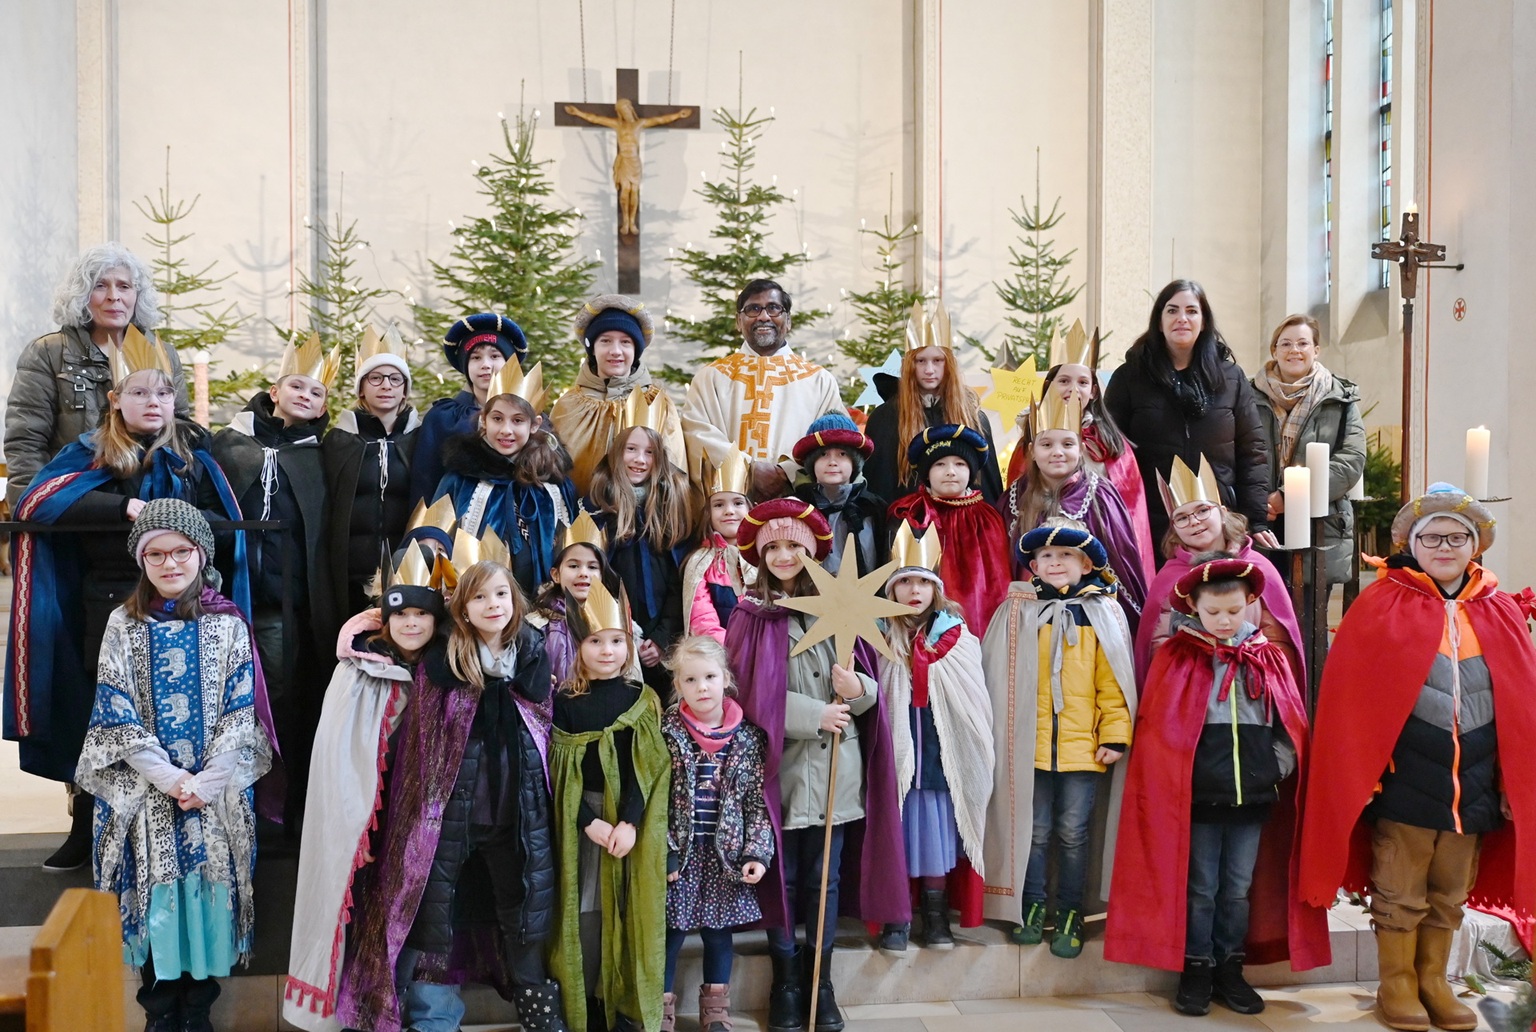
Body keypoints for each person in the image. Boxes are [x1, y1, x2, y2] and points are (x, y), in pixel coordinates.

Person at [4, 330, 247, 871]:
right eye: (139, 393)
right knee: (108, 714)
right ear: (115, 399)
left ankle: (184, 817)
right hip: (109, 601)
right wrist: (125, 508)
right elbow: (40, 503)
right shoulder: (86, 452)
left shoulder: (194, 452)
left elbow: (227, 526)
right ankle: (88, 820)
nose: (153, 403)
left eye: (162, 393)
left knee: (181, 716)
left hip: (187, 607)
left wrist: (176, 528)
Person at [1298, 485, 1536, 1032]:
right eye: (1432, 537)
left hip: (1473, 776)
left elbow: (1519, 702)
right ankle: (1398, 982)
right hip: (1405, 772)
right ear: (1412, 543)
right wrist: (1367, 766)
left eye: (1457, 537)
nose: (1445, 546)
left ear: (1475, 545)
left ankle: (1433, 978)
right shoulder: (1384, 601)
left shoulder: (1497, 610)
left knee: (1450, 890)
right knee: (1401, 887)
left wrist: (1507, 777)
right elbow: (1352, 698)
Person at [78, 500, 271, 1032]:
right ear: (141, 562)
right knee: (155, 896)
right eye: (155, 554)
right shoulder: (124, 623)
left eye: (181, 551)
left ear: (200, 554)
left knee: (207, 894)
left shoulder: (227, 623)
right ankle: (160, 1014)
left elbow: (241, 710)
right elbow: (113, 707)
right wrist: (170, 778)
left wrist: (207, 782)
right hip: (148, 793)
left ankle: (199, 1011)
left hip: (213, 791)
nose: (169, 564)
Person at [1105, 555, 1328, 1017]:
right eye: (1213, 613)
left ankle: (1231, 966)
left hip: (1252, 797)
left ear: (1251, 605)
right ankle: (1197, 967)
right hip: (1200, 799)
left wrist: (1274, 768)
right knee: (1202, 887)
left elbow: (1289, 725)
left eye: (1234, 611)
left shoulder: (1266, 658)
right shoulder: (1177, 657)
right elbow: (1161, 731)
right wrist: (1180, 778)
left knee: (1238, 888)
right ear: (1194, 609)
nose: (1225, 621)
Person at [727, 499, 909, 1032]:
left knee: (823, 880)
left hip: (836, 774)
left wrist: (859, 691)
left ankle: (819, 981)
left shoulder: (842, 608)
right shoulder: (750, 616)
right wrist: (814, 713)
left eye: (795, 547)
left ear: (813, 552)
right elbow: (744, 696)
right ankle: (786, 982)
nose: (785, 556)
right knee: (781, 878)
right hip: (780, 772)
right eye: (775, 548)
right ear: (761, 556)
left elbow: (870, 690)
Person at [283, 546, 454, 1032]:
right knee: (357, 911)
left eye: (423, 614)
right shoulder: (357, 669)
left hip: (424, 824)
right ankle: (355, 1014)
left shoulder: (446, 671)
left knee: (419, 925)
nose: (413, 624)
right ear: (386, 616)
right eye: (403, 613)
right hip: (366, 825)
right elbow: (335, 752)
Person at [394, 559, 566, 1032]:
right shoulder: (443, 660)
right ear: (463, 609)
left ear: (515, 603)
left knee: (524, 910)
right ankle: (432, 1019)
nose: (493, 605)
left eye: (501, 595)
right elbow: (425, 744)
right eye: (480, 597)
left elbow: (544, 733)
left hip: (514, 812)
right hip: (449, 814)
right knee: (433, 913)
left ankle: (540, 1018)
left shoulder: (533, 656)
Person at [980, 521, 1136, 958]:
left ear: (1085, 564)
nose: (1055, 562)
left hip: (1083, 749)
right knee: (1035, 831)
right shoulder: (1016, 611)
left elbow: (1114, 682)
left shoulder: (1102, 612)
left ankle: (1070, 912)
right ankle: (1030, 907)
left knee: (1073, 832)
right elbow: (1000, 676)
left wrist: (1115, 735)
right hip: (1028, 747)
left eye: (1066, 556)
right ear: (1033, 565)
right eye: (1046, 557)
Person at [211, 333, 338, 823]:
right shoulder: (230, 442)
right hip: (232, 596)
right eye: (297, 386)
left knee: (280, 698)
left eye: (316, 392)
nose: (305, 396)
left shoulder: (320, 454)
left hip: (285, 605)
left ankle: (274, 805)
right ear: (275, 388)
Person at [548, 579, 670, 1032]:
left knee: (629, 908)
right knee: (587, 915)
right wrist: (588, 823)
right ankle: (589, 1007)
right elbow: (559, 777)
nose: (607, 651)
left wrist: (632, 822)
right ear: (579, 646)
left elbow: (648, 768)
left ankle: (623, 1005)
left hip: (628, 821)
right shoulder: (565, 704)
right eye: (596, 641)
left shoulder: (642, 700)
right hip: (586, 822)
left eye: (616, 641)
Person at [875, 521, 994, 955]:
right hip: (898, 755)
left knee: (935, 838)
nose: (913, 590)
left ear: (935, 588)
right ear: (891, 590)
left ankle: (937, 913)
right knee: (897, 837)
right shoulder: (879, 636)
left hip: (940, 757)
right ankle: (896, 914)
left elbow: (973, 701)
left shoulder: (958, 637)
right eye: (904, 581)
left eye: (922, 581)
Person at [5, 242, 191, 509]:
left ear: (137, 295)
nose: (113, 296)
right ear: (82, 295)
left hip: (150, 505)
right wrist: (34, 506)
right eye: (100, 286)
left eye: (124, 286)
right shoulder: (48, 353)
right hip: (74, 505)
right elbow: (26, 443)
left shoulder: (163, 354)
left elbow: (180, 430)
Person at [1102, 280, 1275, 553]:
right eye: (1172, 310)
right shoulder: (1130, 377)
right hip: (1150, 519)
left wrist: (1255, 520)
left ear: (1204, 321)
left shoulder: (1231, 378)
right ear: (1159, 322)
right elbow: (1111, 450)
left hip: (1218, 519)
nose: (1182, 318)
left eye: (1192, 311)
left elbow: (1252, 451)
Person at [660, 636, 774, 1032]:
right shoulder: (667, 734)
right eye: (691, 680)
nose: (702, 687)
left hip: (725, 858)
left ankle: (716, 1014)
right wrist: (665, 853)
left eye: (710, 676)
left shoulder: (747, 739)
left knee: (718, 935)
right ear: (678, 686)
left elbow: (757, 805)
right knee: (669, 935)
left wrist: (756, 854)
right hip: (682, 858)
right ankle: (659, 1012)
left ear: (726, 679)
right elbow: (655, 801)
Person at [1008, 321, 1156, 581]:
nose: (1073, 389)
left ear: (1094, 390)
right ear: (1050, 385)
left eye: (1083, 382)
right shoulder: (1030, 442)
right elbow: (1018, 501)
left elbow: (1130, 518)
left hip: (1096, 556)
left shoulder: (1113, 446)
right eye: (1064, 380)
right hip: (1043, 556)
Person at [1135, 455, 1302, 683]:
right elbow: (1158, 643)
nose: (1194, 521)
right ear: (1173, 528)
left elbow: (1277, 642)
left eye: (1202, 511)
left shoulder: (1258, 568)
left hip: (1249, 684)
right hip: (1188, 687)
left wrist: (1257, 673)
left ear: (1222, 512)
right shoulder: (1168, 578)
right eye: (1182, 518)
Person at [680, 280, 844, 499]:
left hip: (798, 502)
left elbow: (833, 438)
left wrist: (787, 472)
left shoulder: (819, 380)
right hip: (730, 505)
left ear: (788, 320)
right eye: (753, 309)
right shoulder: (711, 377)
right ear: (739, 321)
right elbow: (695, 433)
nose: (764, 317)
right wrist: (748, 469)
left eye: (774, 308)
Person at [1000, 393, 1148, 630]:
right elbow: (1002, 565)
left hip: (1089, 618)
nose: (1057, 452)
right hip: (1030, 617)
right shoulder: (1014, 499)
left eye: (1067, 444)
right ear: (1032, 451)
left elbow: (1122, 562)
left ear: (1080, 448)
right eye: (1046, 444)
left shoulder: (1101, 495)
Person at [431, 356, 576, 595]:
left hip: (545, 609)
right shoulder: (461, 480)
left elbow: (573, 548)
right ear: (484, 421)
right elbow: (435, 542)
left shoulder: (554, 484)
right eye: (497, 418)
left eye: (517, 420)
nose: (506, 430)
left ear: (534, 425)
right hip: (479, 606)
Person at [1251, 313, 1367, 589]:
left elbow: (1351, 459)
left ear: (1315, 350)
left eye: (1303, 343)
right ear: (1274, 350)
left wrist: (1288, 496)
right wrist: (1257, 502)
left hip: (1318, 520)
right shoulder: (1247, 394)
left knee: (1310, 617)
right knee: (1263, 611)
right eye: (1286, 344)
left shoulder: (1340, 398)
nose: (1294, 350)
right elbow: (1234, 453)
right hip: (1260, 518)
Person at [582, 409, 693, 695]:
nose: (640, 460)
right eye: (631, 449)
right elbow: (593, 580)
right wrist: (621, 632)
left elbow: (680, 580)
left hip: (661, 638)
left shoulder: (670, 508)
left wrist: (660, 639)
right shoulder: (597, 507)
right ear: (617, 452)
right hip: (611, 634)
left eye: (650, 452)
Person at [322, 326, 421, 631]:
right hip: (349, 570)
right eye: (375, 378)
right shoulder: (339, 441)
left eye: (395, 379)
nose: (386, 386)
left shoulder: (421, 440)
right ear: (361, 388)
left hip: (408, 568)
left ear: (404, 389)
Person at [864, 301, 1002, 504]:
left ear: (949, 364)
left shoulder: (972, 417)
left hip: (961, 525)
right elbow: (878, 487)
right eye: (921, 361)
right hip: (907, 526)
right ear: (910, 365)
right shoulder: (886, 418)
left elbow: (988, 488)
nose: (929, 370)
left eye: (938, 360)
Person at [550, 294, 686, 494]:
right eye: (605, 341)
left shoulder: (657, 404)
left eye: (625, 342)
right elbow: (553, 472)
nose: (616, 351)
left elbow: (675, 470)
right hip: (578, 519)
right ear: (593, 349)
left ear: (635, 350)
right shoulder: (568, 405)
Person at [887, 425, 1012, 635]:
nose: (950, 471)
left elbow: (998, 580)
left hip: (981, 618)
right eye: (940, 464)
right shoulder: (910, 514)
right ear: (927, 472)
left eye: (960, 464)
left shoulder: (988, 518)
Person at [410, 313, 528, 506]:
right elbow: (424, 483)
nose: (486, 365)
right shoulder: (443, 418)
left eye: (495, 356)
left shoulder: (530, 418)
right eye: (476, 357)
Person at [791, 413, 888, 575]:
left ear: (854, 462)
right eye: (823, 455)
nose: (832, 462)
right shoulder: (797, 508)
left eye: (842, 454)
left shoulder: (874, 508)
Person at [681, 446, 758, 644]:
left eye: (738, 503)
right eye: (719, 504)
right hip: (723, 657)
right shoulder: (701, 562)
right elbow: (702, 620)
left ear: (751, 508)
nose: (729, 511)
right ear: (708, 513)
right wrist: (738, 649)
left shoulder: (765, 555)